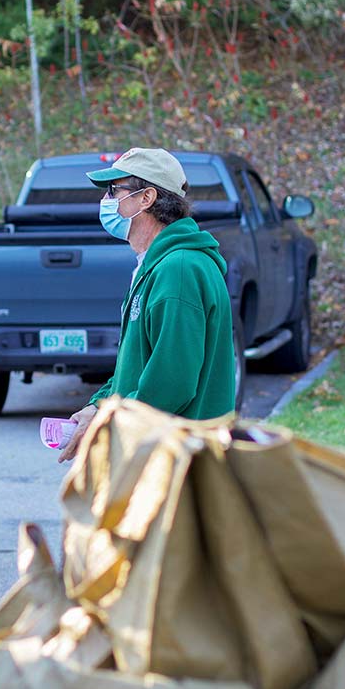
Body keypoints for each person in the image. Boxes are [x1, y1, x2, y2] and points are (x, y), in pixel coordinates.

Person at [58, 147, 236, 463]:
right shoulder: (156, 265)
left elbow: (173, 385)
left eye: (115, 190)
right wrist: (97, 406)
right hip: (157, 458)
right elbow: (137, 369)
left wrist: (105, 426)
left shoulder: (178, 270)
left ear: (146, 198)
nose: (107, 200)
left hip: (178, 466)